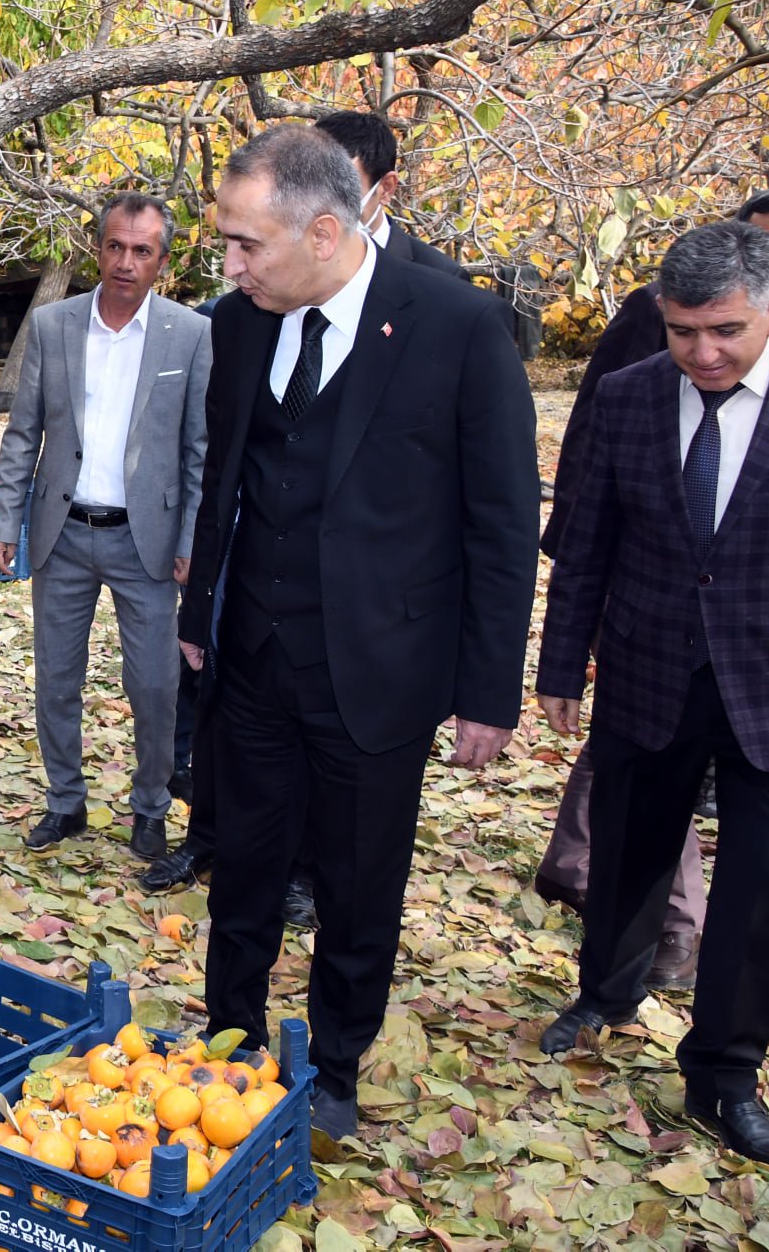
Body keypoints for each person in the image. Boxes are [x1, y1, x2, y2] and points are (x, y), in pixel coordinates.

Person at [179, 126, 538, 1139]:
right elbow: (227, 478)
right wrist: (200, 609)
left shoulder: (459, 326)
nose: (229, 263)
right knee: (242, 864)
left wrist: (487, 689)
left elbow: (502, 523)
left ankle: (334, 1061)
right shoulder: (239, 325)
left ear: (324, 231)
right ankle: (230, 1037)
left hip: (377, 671)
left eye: (245, 243)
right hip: (250, 655)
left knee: (354, 878)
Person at [534, 221, 769, 1170]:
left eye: (724, 331)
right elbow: (586, 540)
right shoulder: (631, 396)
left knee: (761, 894)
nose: (704, 353)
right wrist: (562, 667)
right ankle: (606, 991)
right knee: (631, 853)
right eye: (683, 332)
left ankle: (724, 1073)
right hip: (645, 670)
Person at [0, 193, 211, 858]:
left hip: (149, 542)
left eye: (142, 250)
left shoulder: (190, 334)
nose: (125, 261)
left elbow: (200, 449)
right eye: (115, 246)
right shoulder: (56, 327)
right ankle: (66, 802)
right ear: (98, 249)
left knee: (154, 683)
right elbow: (23, 431)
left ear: (162, 261)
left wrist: (193, 540)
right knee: (56, 677)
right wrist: (4, 519)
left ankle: (150, 806)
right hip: (63, 532)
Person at [313, 110, 465, 277]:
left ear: (386, 188)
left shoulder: (440, 276)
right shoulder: (290, 261)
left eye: (342, 189)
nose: (324, 203)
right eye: (310, 186)